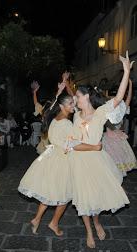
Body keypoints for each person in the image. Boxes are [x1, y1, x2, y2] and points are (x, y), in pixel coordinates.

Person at [18, 82, 102, 236]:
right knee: (64, 196)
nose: (74, 105)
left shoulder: (54, 117)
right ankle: (53, 223)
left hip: (52, 158)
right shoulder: (66, 123)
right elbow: (74, 145)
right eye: (70, 103)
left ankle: (37, 219)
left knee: (50, 192)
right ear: (62, 106)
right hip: (63, 160)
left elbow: (55, 105)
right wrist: (94, 147)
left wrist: (61, 91)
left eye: (74, 102)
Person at [71, 51, 132, 248]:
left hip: (96, 160)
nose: (75, 100)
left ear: (86, 96)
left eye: (77, 97)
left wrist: (126, 71)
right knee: (83, 198)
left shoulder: (100, 113)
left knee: (94, 196)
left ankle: (97, 222)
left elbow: (119, 96)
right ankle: (89, 231)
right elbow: (74, 140)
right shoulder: (76, 116)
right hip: (79, 160)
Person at [102, 80, 137, 179]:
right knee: (109, 163)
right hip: (108, 139)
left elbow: (128, 99)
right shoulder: (106, 109)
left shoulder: (122, 109)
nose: (112, 99)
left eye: (114, 97)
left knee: (118, 163)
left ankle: (117, 184)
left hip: (118, 139)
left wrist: (130, 85)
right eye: (111, 97)